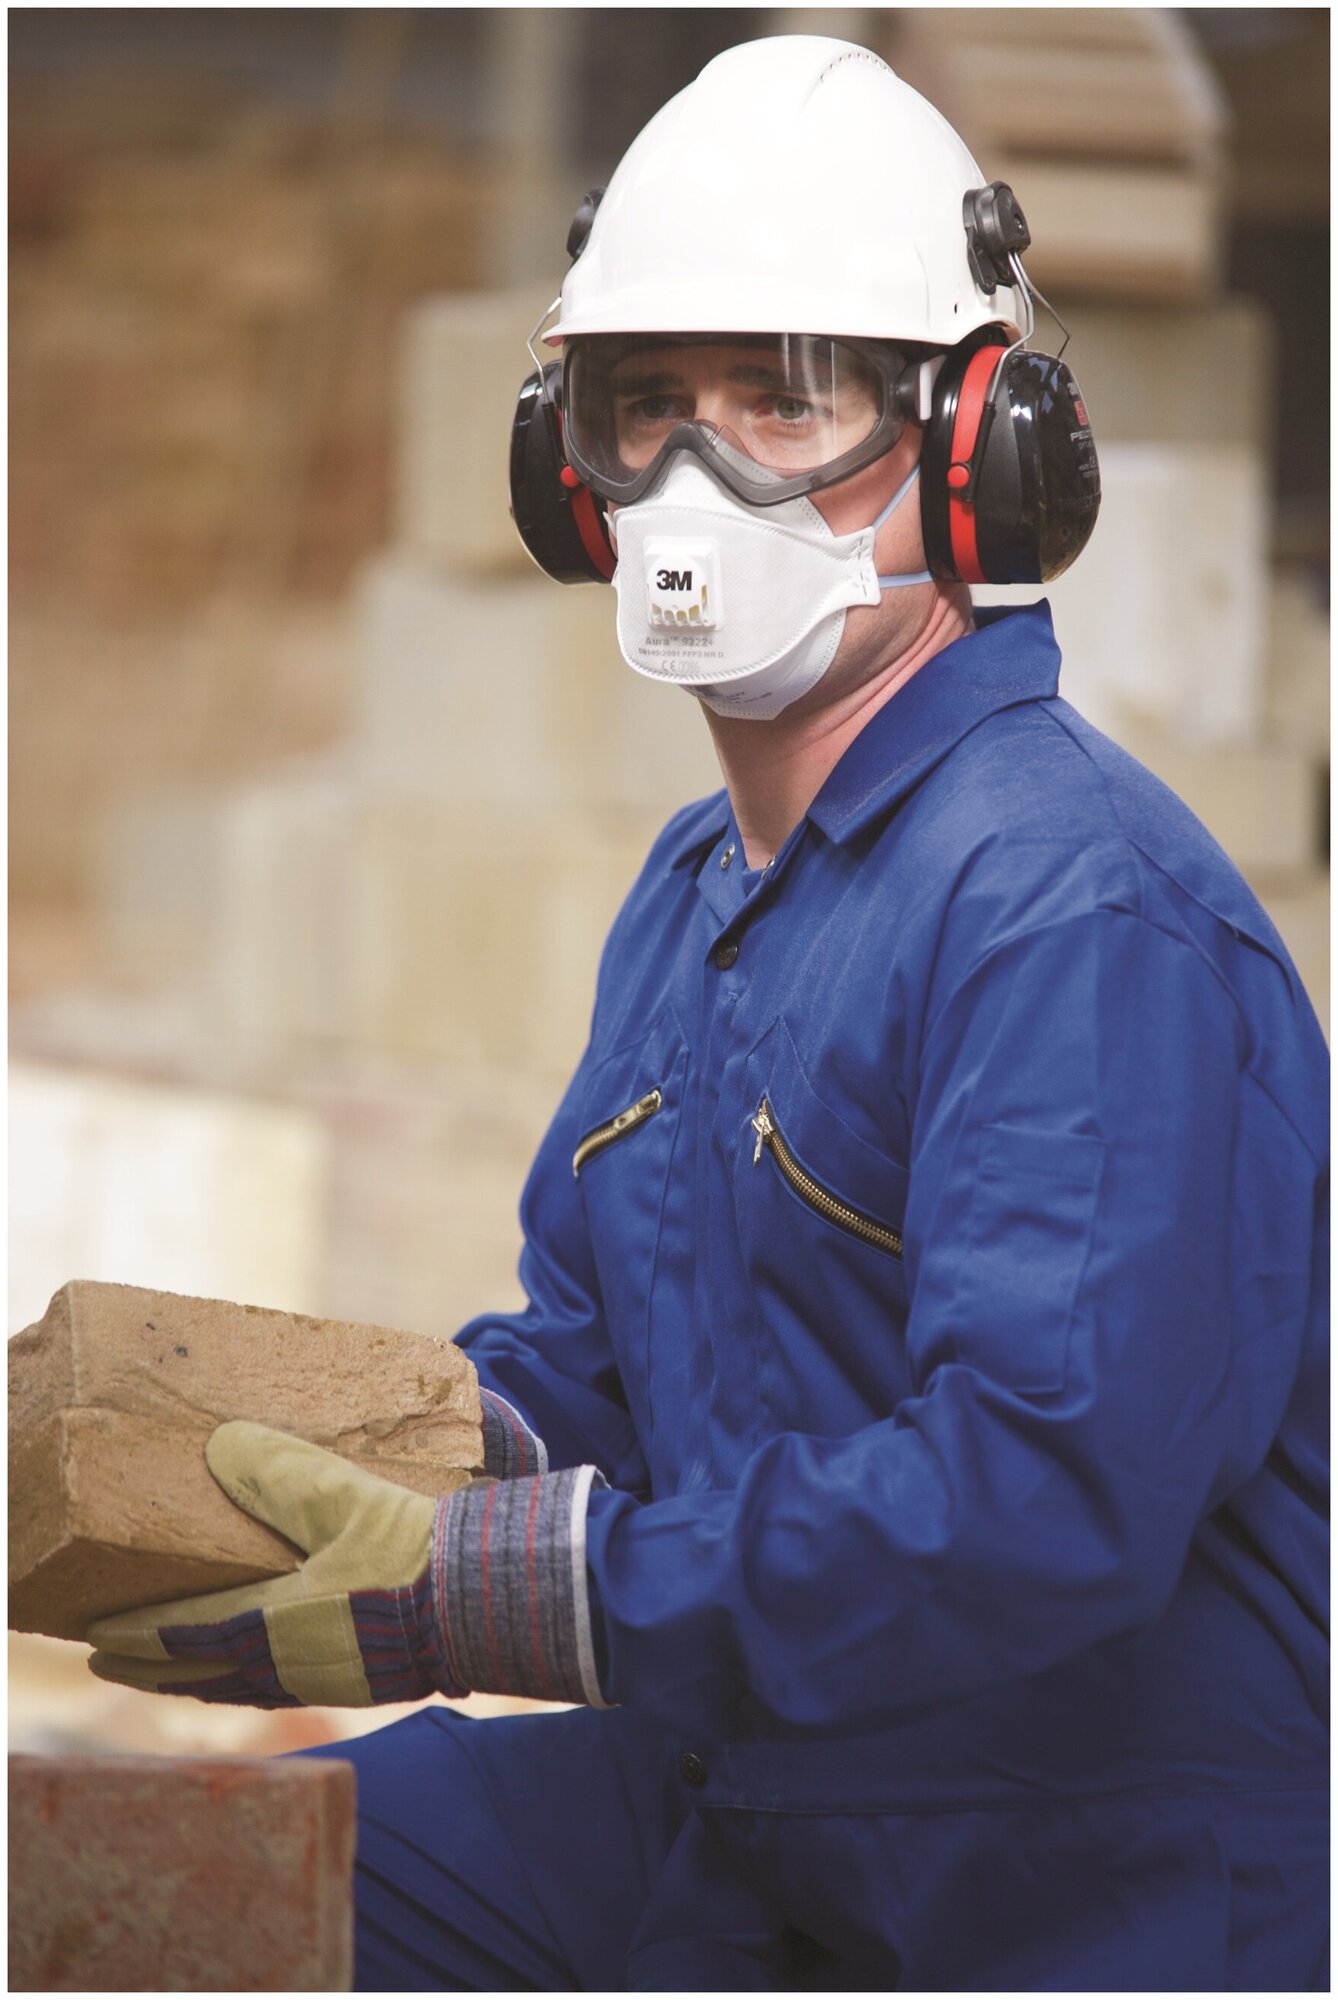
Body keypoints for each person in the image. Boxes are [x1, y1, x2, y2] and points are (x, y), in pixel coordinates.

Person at [87, 36, 1328, 1991]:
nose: (695, 477)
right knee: (142, 1887)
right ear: (559, 467)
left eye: (785, 398)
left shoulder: (1068, 905)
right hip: (741, 1790)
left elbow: (1040, 1493)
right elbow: (595, 1365)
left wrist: (512, 1594)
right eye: (644, 404)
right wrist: (354, 1467)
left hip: (1078, 1867)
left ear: (979, 448)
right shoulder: (699, 891)